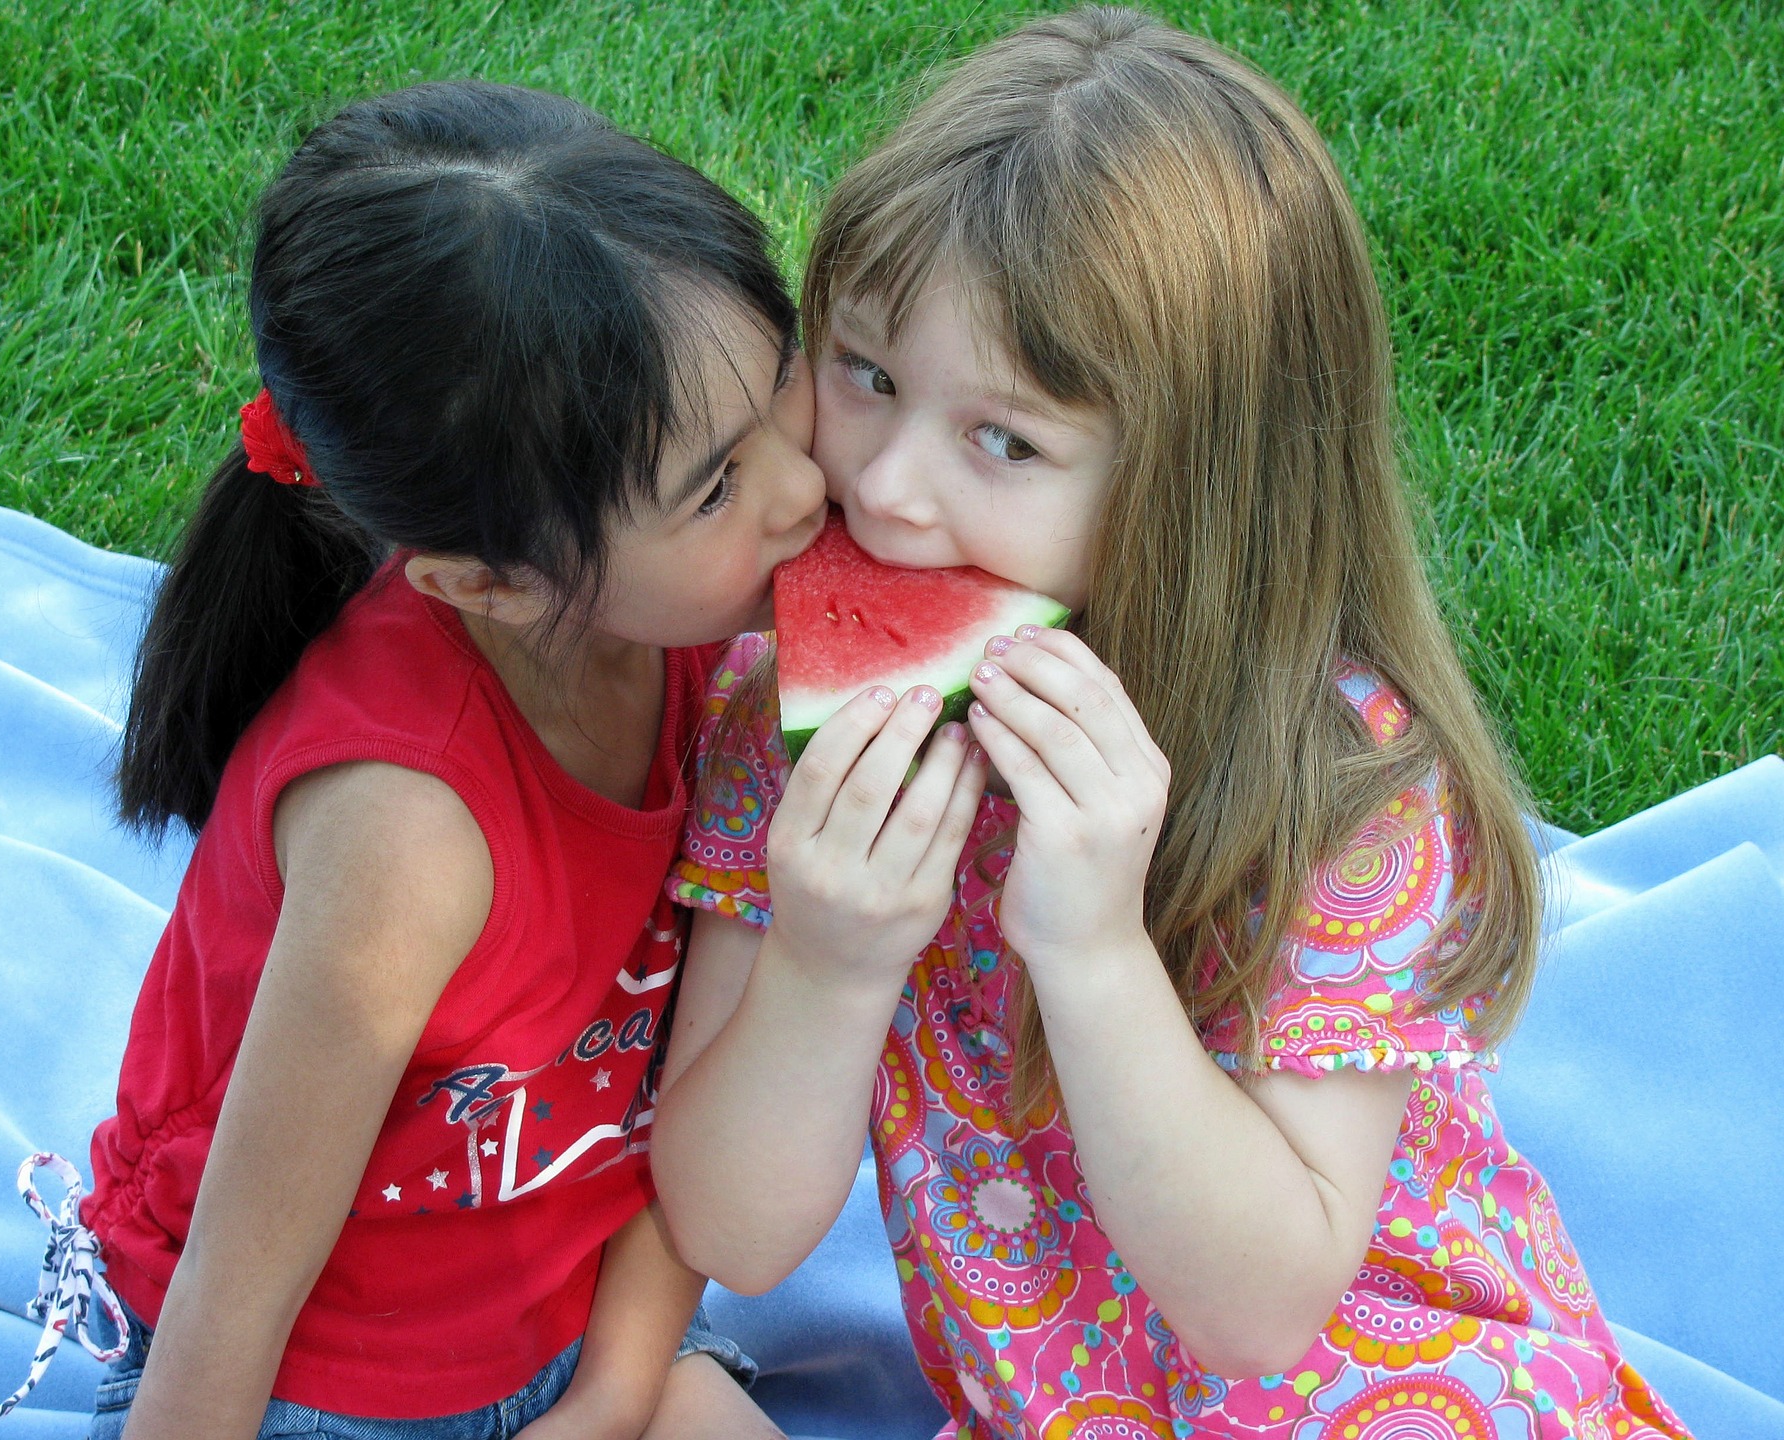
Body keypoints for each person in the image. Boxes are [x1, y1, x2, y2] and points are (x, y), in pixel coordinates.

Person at [650, 10, 1693, 1439]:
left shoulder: (1342, 784)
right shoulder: (790, 714)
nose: (886, 485)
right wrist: (826, 967)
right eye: (866, 375)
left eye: (1003, 439)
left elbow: (1258, 1316)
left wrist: (1090, 950)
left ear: (1198, 475)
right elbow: (736, 1237)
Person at [0, 80, 821, 1440]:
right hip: (344, 1387)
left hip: (589, 1300)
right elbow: (238, 1290)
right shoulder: (408, 835)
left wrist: (611, 1395)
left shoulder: (701, 636)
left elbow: (691, 1073)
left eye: (786, 385)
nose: (804, 491)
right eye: (718, 483)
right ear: (483, 582)